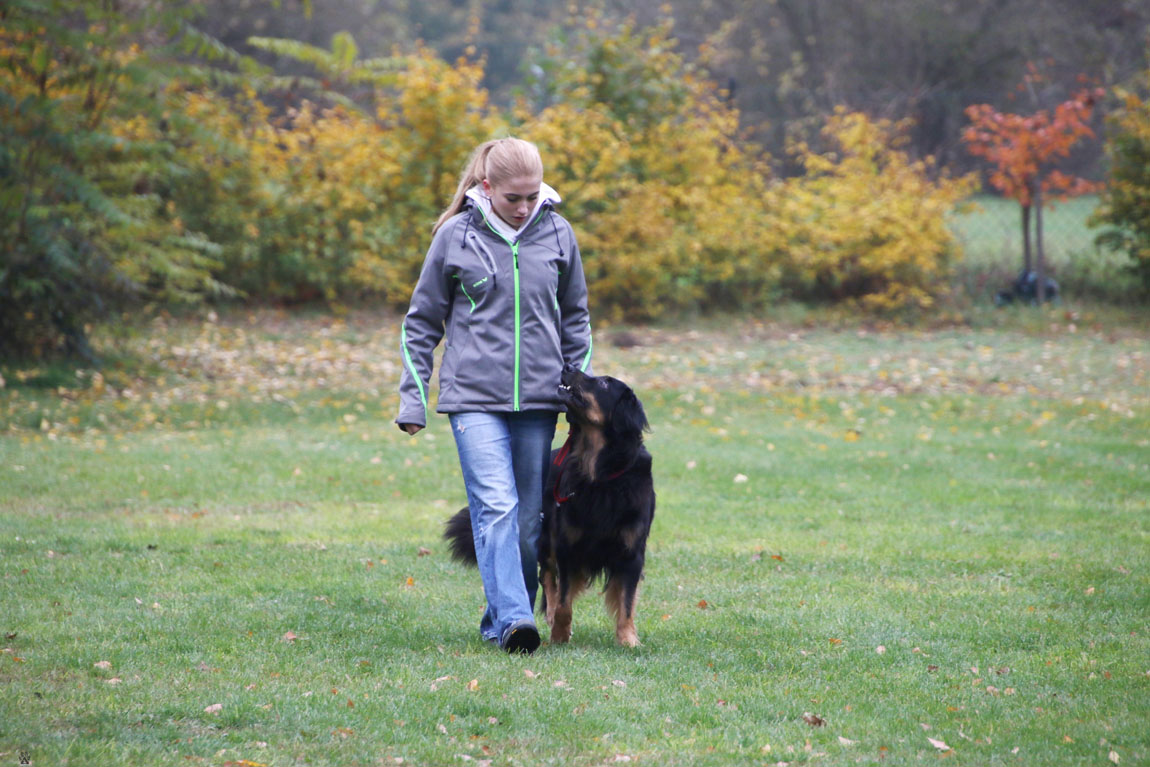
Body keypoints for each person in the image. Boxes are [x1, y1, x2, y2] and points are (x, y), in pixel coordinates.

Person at [396, 137, 593, 654]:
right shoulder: (455, 236)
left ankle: (500, 618)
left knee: (530, 521)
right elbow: (421, 324)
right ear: (487, 187)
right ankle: (515, 621)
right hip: (472, 398)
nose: (525, 207)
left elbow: (576, 319)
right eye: (514, 198)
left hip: (539, 401)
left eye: (533, 196)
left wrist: (578, 399)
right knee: (497, 508)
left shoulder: (557, 233)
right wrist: (412, 399)